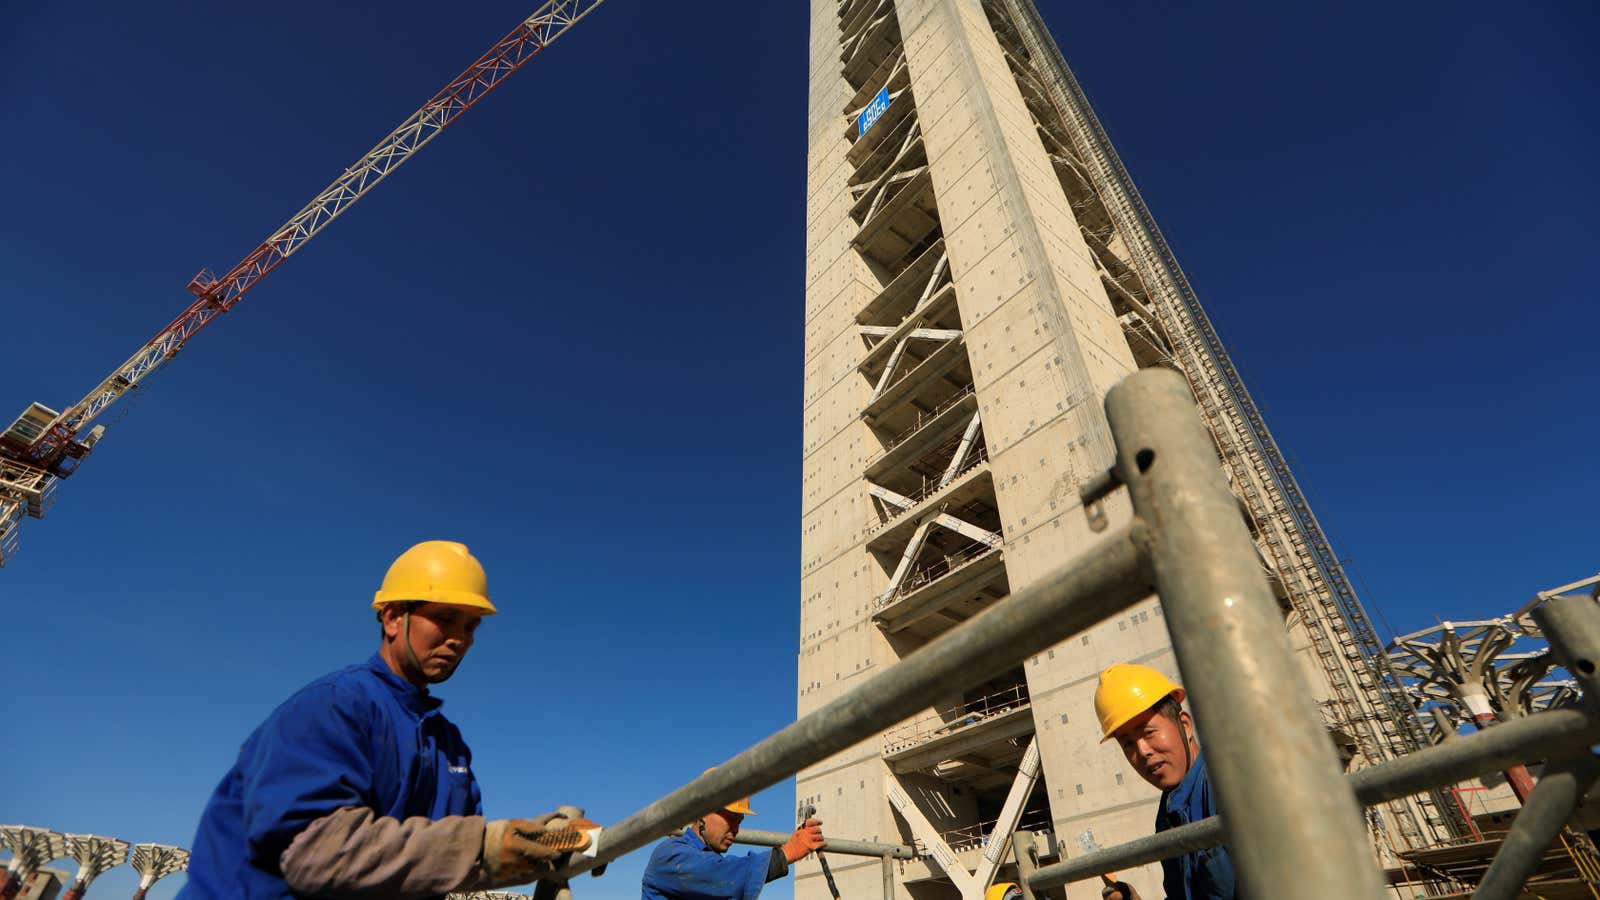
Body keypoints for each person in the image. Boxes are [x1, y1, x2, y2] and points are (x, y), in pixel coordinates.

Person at [180, 541, 590, 899]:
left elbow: (451, 860)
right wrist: (482, 847)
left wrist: (548, 837)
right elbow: (316, 854)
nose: (459, 639)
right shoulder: (335, 706)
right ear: (393, 617)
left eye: (471, 626)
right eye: (445, 619)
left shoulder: (448, 745)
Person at [1093, 664, 1235, 900]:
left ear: (1185, 725)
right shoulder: (1167, 815)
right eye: (1128, 743)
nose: (1142, 750)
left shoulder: (1228, 782)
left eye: (1148, 732)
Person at [640, 783, 825, 900]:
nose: (735, 829)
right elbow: (719, 874)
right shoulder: (670, 854)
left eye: (740, 821)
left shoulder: (709, 859)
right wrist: (787, 853)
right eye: (730, 818)